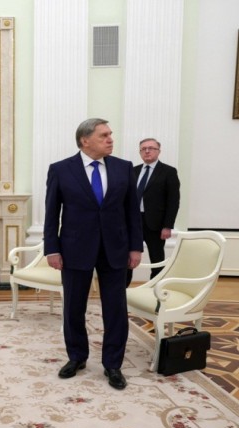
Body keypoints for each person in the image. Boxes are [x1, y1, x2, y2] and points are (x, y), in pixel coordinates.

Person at [43, 118, 143, 390]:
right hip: (74, 249)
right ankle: (77, 357)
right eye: (104, 135)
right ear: (85, 140)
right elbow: (51, 213)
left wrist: (135, 247)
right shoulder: (61, 169)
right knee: (74, 307)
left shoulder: (123, 168)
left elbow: (132, 212)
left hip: (116, 249)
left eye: (110, 134)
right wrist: (52, 249)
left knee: (116, 309)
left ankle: (113, 364)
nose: (111, 139)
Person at [133, 138, 181, 280]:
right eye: (143, 149)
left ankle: (155, 286)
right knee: (128, 257)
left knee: (157, 258)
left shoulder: (168, 171)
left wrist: (168, 226)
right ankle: (123, 288)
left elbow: (173, 201)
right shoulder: (133, 171)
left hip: (155, 224)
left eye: (151, 148)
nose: (147, 151)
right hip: (134, 222)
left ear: (159, 151)